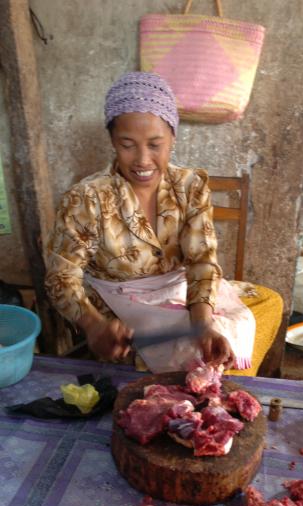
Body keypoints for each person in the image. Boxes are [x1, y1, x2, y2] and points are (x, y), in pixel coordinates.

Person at [45, 72, 283, 375]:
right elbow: (61, 278)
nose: (143, 160)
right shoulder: (87, 198)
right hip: (122, 305)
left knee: (268, 303)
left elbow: (201, 262)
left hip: (178, 291)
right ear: (112, 141)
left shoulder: (190, 185)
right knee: (193, 355)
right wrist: (94, 326)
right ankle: (205, 397)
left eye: (155, 144)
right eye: (127, 144)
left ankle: (211, 389)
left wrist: (202, 324)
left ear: (173, 136)